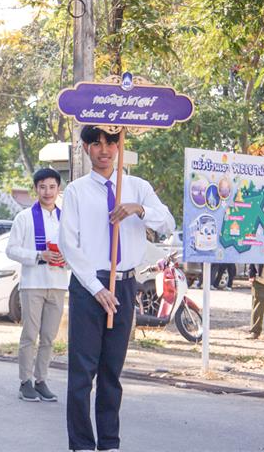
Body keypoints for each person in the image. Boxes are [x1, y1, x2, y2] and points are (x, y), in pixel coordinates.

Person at [59, 125, 175, 452]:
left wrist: (140, 209)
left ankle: (109, 443)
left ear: (120, 145)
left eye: (111, 142)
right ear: (85, 148)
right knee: (82, 374)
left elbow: (167, 223)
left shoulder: (137, 187)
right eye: (96, 143)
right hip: (89, 288)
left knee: (112, 372)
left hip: (125, 287)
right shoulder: (76, 191)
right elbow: (69, 245)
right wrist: (96, 288)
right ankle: (82, 444)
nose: (104, 149)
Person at [6, 168, 68, 402]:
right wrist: (39, 255)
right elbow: (11, 249)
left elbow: (75, 249)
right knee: (30, 335)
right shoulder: (24, 218)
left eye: (52, 187)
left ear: (58, 189)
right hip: (33, 283)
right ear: (36, 189)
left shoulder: (65, 218)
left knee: (49, 337)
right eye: (43, 187)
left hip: (59, 283)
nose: (48, 191)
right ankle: (25, 381)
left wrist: (66, 259)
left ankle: (42, 380)